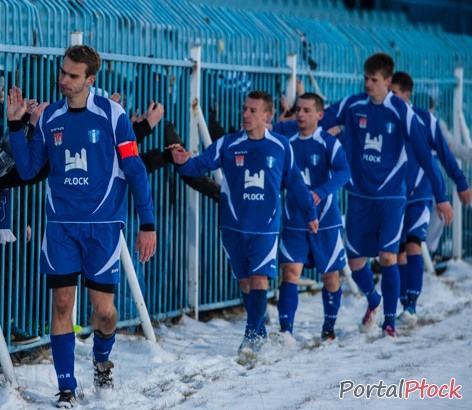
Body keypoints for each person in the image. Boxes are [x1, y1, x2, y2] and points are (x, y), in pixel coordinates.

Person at [7, 45, 156, 407]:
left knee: (103, 313)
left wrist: (147, 223)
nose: (63, 80)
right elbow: (28, 171)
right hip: (60, 226)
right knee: (62, 304)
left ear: (91, 79)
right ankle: (66, 389)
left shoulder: (112, 114)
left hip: (103, 227)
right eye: (62, 72)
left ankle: (102, 362)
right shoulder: (49, 117)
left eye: (73, 76)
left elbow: (134, 170)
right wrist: (16, 125)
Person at [169, 91, 317, 364]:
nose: (246, 114)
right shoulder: (227, 144)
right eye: (244, 109)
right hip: (233, 226)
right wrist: (182, 162)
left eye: (253, 110)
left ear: (267, 115)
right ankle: (259, 331)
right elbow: (198, 165)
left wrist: (310, 213)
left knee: (260, 279)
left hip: (265, 228)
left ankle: (250, 337)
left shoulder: (281, 146)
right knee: (246, 283)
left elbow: (295, 182)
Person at [319, 53, 453, 337]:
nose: (368, 84)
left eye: (374, 80)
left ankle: (390, 321)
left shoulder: (401, 111)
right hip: (359, 197)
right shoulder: (353, 104)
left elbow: (425, 155)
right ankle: (374, 299)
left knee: (388, 257)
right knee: (355, 261)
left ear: (388, 81)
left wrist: (440, 195)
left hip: (392, 198)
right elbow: (316, 122)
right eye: (366, 78)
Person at [389, 71, 471, 325]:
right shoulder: (384, 117)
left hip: (420, 193)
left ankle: (411, 306)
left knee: (414, 244)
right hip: (393, 196)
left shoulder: (425, 119)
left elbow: (447, 154)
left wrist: (460, 183)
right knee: (398, 252)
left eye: (393, 93)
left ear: (406, 94)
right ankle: (403, 301)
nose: (387, 98)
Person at [276, 93, 351, 342]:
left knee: (330, 277)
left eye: (307, 110)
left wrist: (321, 190)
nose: (300, 114)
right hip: (294, 219)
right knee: (289, 273)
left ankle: (329, 327)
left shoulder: (329, 143)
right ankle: (286, 333)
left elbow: (343, 172)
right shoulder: (286, 142)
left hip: (326, 221)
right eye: (298, 110)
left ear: (320, 115)